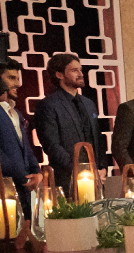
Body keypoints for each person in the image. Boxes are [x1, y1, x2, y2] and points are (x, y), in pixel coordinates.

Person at [34, 52, 111, 194]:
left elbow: (98, 139)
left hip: (97, 178)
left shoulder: (88, 103)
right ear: (59, 75)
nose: (81, 74)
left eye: (80, 70)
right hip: (67, 179)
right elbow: (52, 145)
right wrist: (79, 170)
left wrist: (102, 167)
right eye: (74, 70)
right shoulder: (48, 105)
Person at [0, 59, 38, 253]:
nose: (18, 84)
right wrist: (20, 175)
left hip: (22, 186)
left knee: (20, 240)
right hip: (4, 186)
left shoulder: (16, 112)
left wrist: (37, 172)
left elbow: (26, 149)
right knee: (4, 240)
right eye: (12, 78)